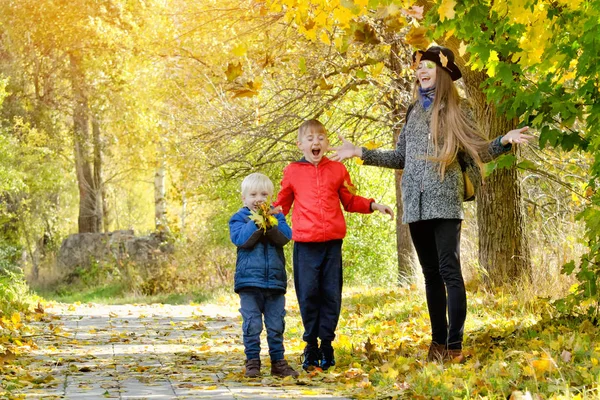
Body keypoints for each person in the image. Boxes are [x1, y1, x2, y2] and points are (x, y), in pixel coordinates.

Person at [330, 46, 534, 363]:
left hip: (445, 201)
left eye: (428, 66)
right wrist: (361, 152)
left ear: (443, 72)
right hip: (415, 204)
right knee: (430, 276)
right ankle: (437, 345)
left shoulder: (458, 109)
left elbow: (478, 150)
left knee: (450, 273)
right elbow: (401, 158)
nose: (421, 71)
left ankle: (454, 347)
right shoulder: (412, 112)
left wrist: (503, 141)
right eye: (419, 67)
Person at [273, 119, 394, 371]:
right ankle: (311, 346)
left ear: (327, 144)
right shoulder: (292, 171)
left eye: (320, 138)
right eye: (310, 138)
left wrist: (373, 205)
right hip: (305, 245)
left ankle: (327, 344)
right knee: (308, 295)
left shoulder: (337, 170)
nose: (316, 142)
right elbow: (282, 204)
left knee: (330, 295)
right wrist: (265, 218)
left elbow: (349, 200)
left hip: (332, 245)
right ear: (300, 145)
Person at [228, 172, 299, 378]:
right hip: (249, 283)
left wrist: (270, 221)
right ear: (244, 198)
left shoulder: (278, 216)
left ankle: (278, 362)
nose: (258, 199)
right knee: (252, 324)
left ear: (271, 197)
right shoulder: (239, 218)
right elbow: (242, 240)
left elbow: (285, 237)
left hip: (275, 283)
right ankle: (252, 362)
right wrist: (257, 222)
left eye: (264, 194)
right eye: (253, 195)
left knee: (276, 324)